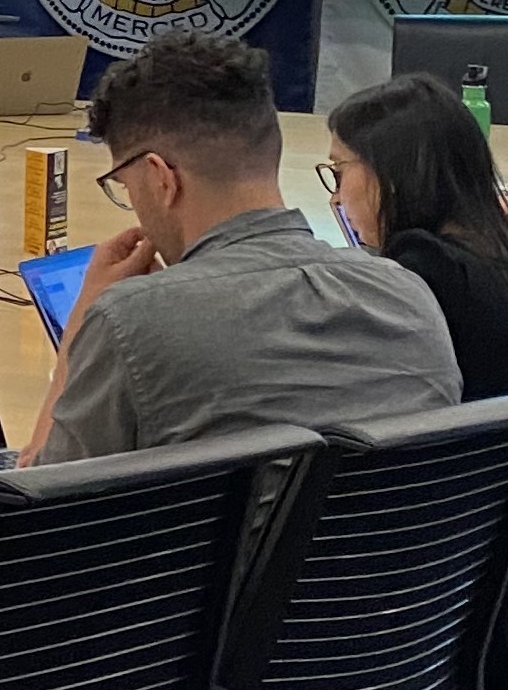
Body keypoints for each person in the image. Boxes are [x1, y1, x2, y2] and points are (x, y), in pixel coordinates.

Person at [29, 30, 458, 465]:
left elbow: (30, 505)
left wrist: (84, 321)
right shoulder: (406, 293)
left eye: (125, 185)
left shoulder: (127, 321)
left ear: (161, 178)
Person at [324, 74, 508, 398]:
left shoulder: (425, 265)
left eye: (340, 170)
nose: (337, 196)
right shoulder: (504, 237)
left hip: (475, 442)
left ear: (391, 173)